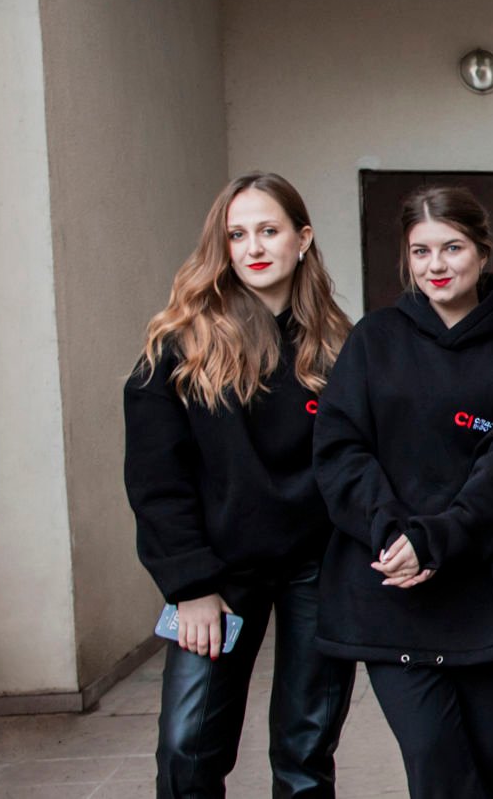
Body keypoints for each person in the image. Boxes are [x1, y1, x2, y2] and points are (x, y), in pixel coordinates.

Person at [313, 186, 493, 799]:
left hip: (489, 593)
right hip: (391, 587)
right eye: (421, 251)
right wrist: (394, 532)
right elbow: (341, 449)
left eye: (452, 247)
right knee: (437, 766)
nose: (436, 265)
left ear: (482, 251)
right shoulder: (374, 340)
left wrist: (438, 538)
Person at [124, 172, 356, 796]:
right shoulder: (181, 346)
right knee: (187, 751)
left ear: (302, 239)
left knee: (305, 753)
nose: (253, 247)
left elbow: (362, 461)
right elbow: (156, 479)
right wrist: (190, 585)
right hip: (218, 576)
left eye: (269, 231)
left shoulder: (339, 346)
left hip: (320, 568)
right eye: (237, 235)